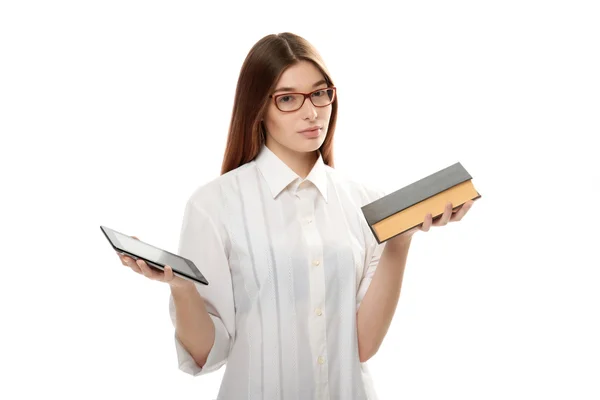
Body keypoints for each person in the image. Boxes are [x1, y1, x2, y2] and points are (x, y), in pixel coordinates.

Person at [117, 32, 474, 400]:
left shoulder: (366, 203)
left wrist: (399, 241)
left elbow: (362, 345)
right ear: (259, 108)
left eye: (320, 93)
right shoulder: (214, 205)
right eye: (288, 98)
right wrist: (182, 286)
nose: (312, 111)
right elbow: (206, 353)